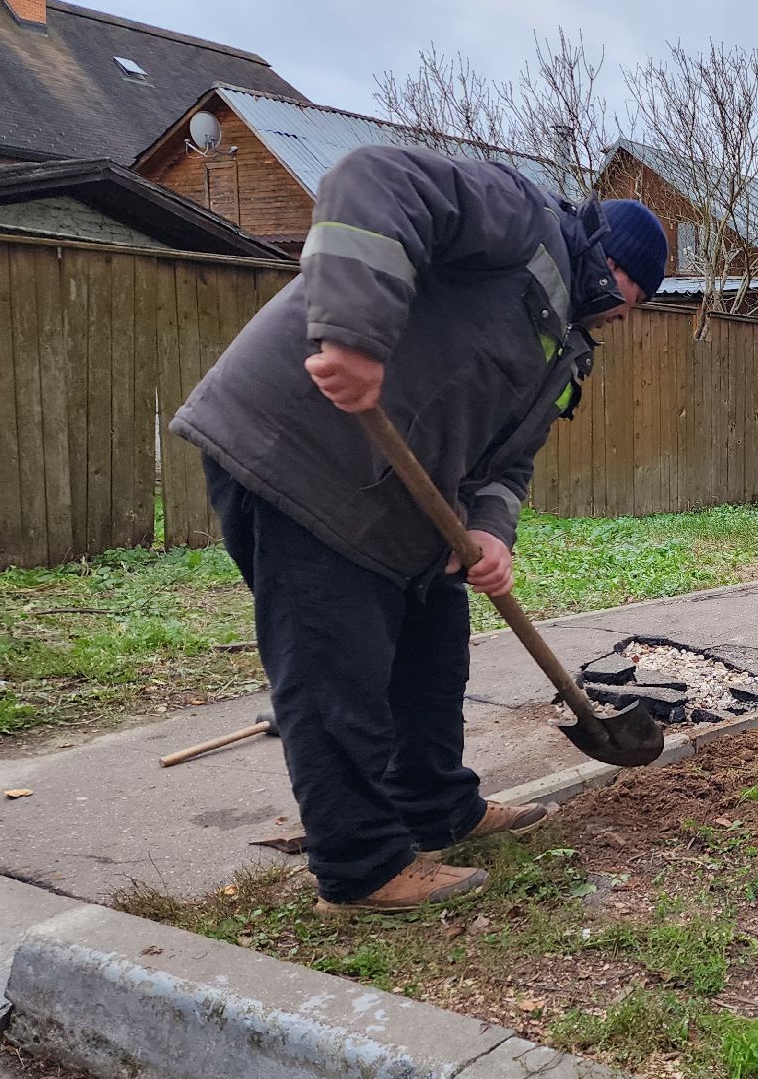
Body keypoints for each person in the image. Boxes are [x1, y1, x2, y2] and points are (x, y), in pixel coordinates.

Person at [170, 146, 668, 916]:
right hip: (304, 457)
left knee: (434, 657)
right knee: (337, 675)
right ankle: (362, 866)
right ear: (615, 261)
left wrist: (491, 530)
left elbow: (510, 461)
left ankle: (439, 810)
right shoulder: (520, 217)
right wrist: (356, 331)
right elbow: (371, 179)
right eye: (636, 292)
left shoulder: (564, 350)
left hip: (403, 502)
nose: (626, 313)